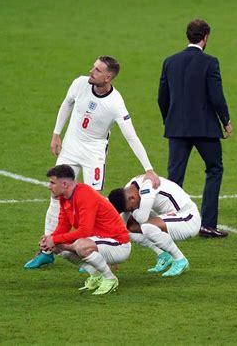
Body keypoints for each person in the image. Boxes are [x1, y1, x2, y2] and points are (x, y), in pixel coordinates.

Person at [25, 55, 159, 269]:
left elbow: (131, 136)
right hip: (70, 147)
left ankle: (103, 249)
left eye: (97, 70)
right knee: (55, 199)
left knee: (94, 203)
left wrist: (148, 169)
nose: (91, 71)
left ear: (108, 77)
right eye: (93, 67)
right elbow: (66, 104)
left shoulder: (116, 103)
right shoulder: (80, 83)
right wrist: (56, 133)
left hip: (93, 154)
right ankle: (46, 251)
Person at [158, 19, 232, 238]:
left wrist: (169, 120)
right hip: (205, 129)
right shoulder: (210, 62)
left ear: (187, 35)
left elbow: (162, 97)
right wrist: (225, 120)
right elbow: (216, 96)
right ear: (205, 37)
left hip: (177, 128)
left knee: (174, 179)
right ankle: (207, 225)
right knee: (214, 169)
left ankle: (170, 226)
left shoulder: (170, 61)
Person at [39, 165, 131, 295]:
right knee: (56, 246)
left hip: (118, 244)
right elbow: (63, 225)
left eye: (52, 182)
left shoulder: (85, 195)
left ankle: (110, 278)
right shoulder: (64, 198)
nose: (49, 186)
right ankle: (96, 274)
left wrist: (54, 239)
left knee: (81, 245)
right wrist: (49, 239)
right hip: (98, 242)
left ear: (64, 184)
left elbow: (84, 231)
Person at [108, 174, 200, 277]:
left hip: (189, 218)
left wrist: (133, 213)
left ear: (132, 199)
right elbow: (122, 223)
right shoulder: (129, 189)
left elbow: (142, 218)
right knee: (129, 228)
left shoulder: (147, 188)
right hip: (171, 216)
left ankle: (180, 260)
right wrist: (111, 253)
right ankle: (164, 255)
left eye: (131, 208)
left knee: (147, 227)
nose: (132, 210)